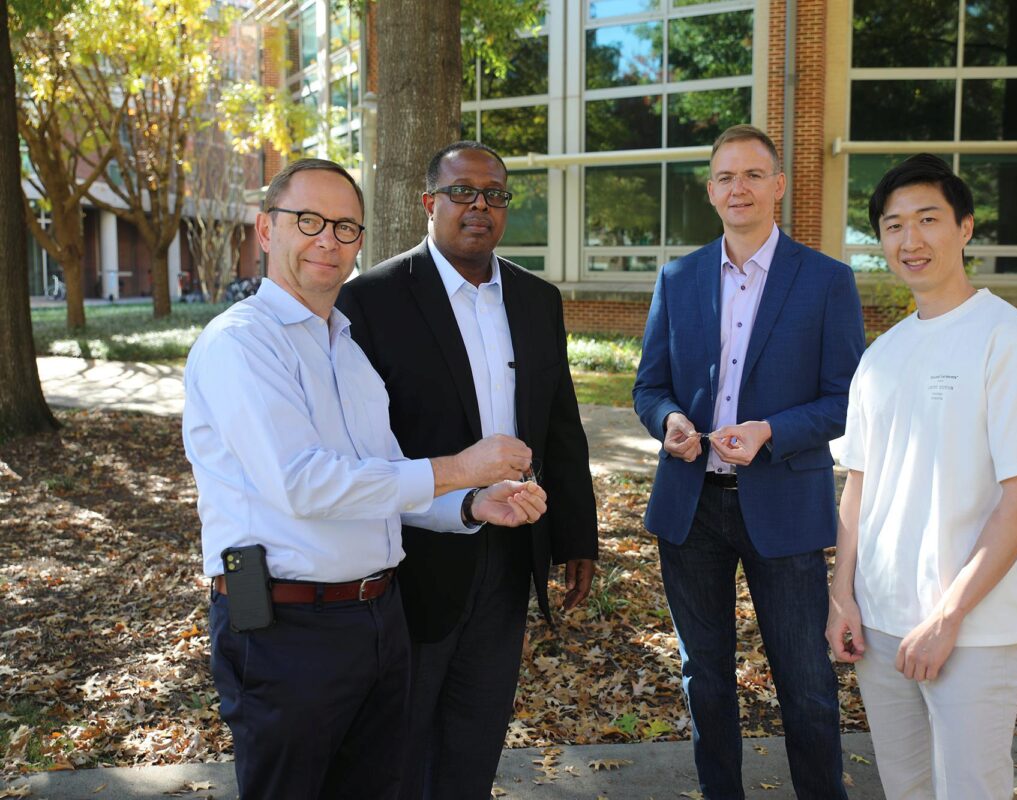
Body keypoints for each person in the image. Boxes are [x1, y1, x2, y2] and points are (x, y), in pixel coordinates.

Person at [183, 158, 547, 800]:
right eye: (309, 221)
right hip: (284, 631)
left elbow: (382, 485)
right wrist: (459, 467)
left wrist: (470, 504)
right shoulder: (240, 344)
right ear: (267, 232)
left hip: (378, 622)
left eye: (346, 227)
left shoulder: (347, 349)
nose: (329, 239)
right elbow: (306, 485)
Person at [336, 141, 598, 799]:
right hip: (412, 561)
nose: (479, 206)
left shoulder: (538, 300)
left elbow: (559, 425)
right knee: (401, 744)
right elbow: (362, 443)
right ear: (429, 203)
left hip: (511, 557)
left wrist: (575, 537)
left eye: (495, 194)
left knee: (475, 738)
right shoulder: (371, 300)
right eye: (462, 192)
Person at [632, 124, 865, 799]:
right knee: (704, 678)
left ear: (778, 187)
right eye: (726, 177)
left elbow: (847, 399)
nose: (739, 188)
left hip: (785, 506)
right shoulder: (678, 279)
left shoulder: (825, 282)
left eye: (753, 175)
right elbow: (650, 386)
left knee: (806, 682)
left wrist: (771, 430)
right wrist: (670, 421)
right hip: (691, 504)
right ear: (711, 191)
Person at [825, 153, 1017, 799]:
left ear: (964, 228)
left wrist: (949, 616)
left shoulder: (1011, 342)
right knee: (905, 788)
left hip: (974, 630)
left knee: (970, 789)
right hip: (880, 623)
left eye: (928, 219)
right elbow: (860, 484)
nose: (911, 239)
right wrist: (843, 594)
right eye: (894, 225)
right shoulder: (883, 354)